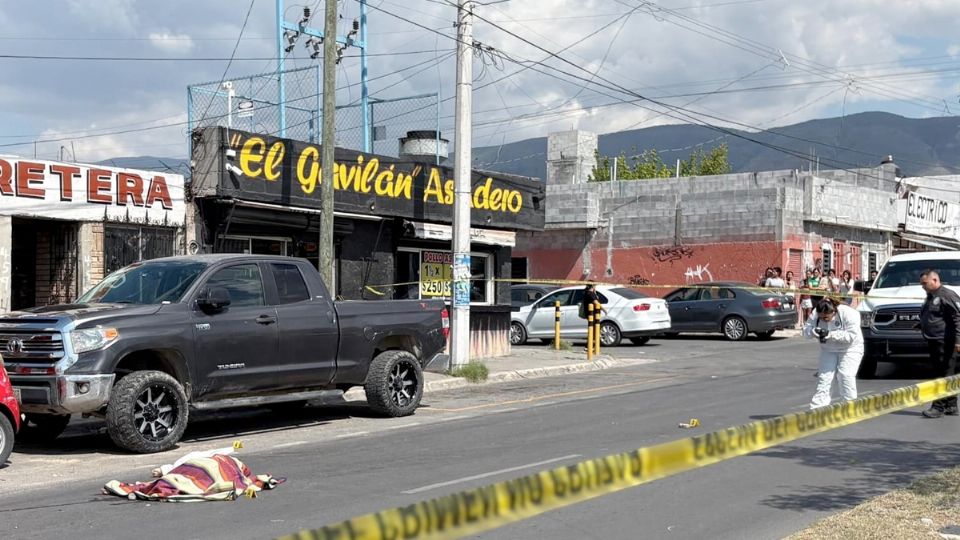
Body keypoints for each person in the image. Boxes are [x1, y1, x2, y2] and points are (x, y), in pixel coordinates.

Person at [803, 297, 864, 409]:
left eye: (826, 317)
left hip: (850, 349)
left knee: (845, 376)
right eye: (821, 318)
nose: (823, 320)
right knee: (824, 378)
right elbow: (806, 330)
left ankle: (849, 408)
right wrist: (812, 331)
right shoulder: (816, 313)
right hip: (828, 349)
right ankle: (817, 410)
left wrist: (830, 334)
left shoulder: (849, 313)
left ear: (833, 312)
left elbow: (850, 336)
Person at [919, 270, 960, 418]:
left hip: (946, 341)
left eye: (925, 283)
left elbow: (958, 318)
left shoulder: (946, 295)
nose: (923, 286)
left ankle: (938, 407)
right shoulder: (931, 296)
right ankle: (951, 405)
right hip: (935, 339)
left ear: (935, 280)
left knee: (941, 375)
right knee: (948, 373)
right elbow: (934, 315)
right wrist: (922, 324)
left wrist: (958, 341)